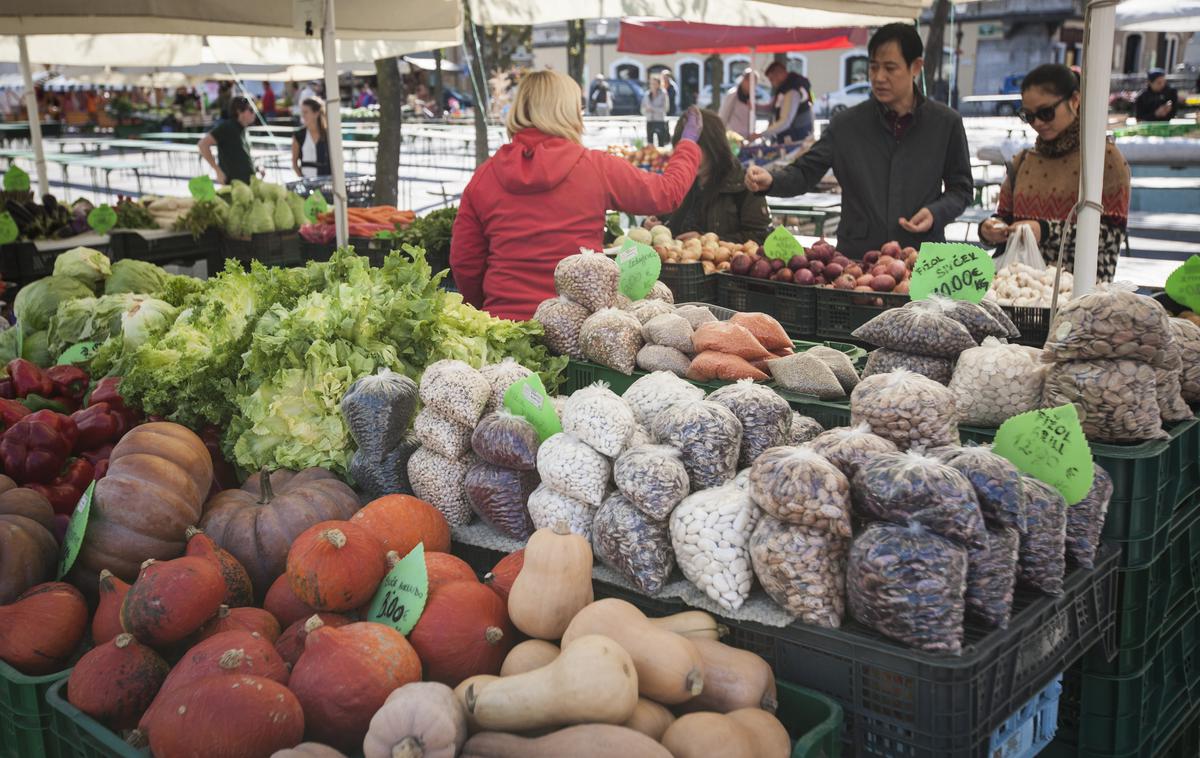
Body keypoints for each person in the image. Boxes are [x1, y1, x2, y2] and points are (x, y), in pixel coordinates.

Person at [450, 70, 703, 321]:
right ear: (569, 112)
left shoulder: (484, 176)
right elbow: (666, 194)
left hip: (503, 327)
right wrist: (688, 144)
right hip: (576, 329)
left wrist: (486, 309)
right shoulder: (595, 166)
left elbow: (465, 261)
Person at [744, 23, 972, 257]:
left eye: (890, 68)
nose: (879, 77)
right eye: (873, 67)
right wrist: (772, 180)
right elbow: (805, 172)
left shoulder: (945, 123)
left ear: (915, 67)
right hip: (858, 261)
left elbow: (961, 189)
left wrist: (935, 212)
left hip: (922, 257)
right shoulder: (846, 124)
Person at [979, 64, 1130, 283]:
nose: (1038, 123)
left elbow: (1110, 236)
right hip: (1018, 294)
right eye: (1028, 116)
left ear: (1074, 101)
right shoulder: (1022, 161)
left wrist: (1046, 231)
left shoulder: (1104, 160)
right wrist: (990, 230)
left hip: (1081, 298)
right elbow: (1004, 217)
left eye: (1046, 112)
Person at [647, 109, 771, 244]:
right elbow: (664, 218)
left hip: (724, 264)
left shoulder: (744, 184)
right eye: (683, 150)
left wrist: (707, 241)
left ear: (714, 147)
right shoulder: (680, 181)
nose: (690, 158)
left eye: (696, 150)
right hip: (678, 262)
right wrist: (652, 225)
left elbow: (761, 237)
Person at [199, 95, 256, 185]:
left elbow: (242, 156)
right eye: (251, 110)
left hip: (248, 185)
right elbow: (203, 145)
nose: (254, 113)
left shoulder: (243, 129)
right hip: (233, 185)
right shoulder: (227, 127)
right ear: (239, 111)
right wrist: (217, 171)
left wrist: (257, 168)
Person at [755, 61, 814, 144]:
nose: (772, 83)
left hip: (796, 139)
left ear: (779, 74)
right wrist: (755, 107)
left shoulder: (792, 91)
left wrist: (761, 134)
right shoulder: (785, 90)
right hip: (796, 136)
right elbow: (772, 108)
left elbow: (786, 120)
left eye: (772, 79)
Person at [292, 97, 331, 178]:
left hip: (327, 184)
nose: (303, 115)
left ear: (316, 113)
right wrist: (303, 180)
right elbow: (294, 163)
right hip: (307, 184)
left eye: (306, 112)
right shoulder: (299, 135)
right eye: (302, 112)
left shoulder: (329, 134)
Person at [719, 70, 759, 139]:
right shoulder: (733, 95)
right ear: (744, 80)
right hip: (733, 137)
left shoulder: (751, 97)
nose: (753, 86)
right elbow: (724, 114)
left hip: (747, 138)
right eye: (751, 82)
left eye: (755, 83)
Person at [642, 76, 671, 146]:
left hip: (659, 120)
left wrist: (652, 109)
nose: (652, 85)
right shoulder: (646, 94)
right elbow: (642, 109)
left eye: (654, 83)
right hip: (649, 120)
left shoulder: (663, 94)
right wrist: (645, 110)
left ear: (658, 84)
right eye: (651, 84)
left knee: (661, 143)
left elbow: (666, 108)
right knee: (649, 143)